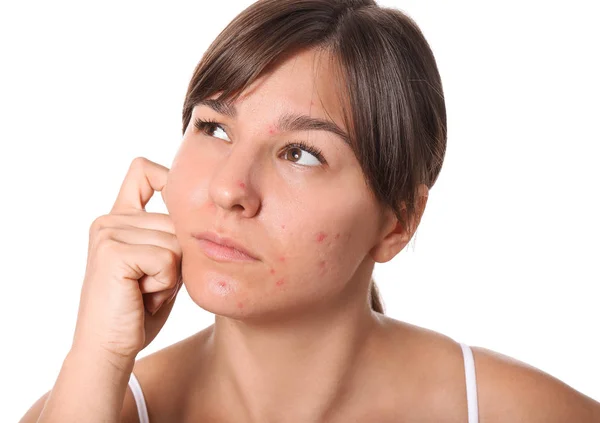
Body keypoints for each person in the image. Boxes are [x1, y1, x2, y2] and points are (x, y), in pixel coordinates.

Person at [19, 0, 600, 422]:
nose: (230, 189)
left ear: (397, 222)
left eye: (301, 153)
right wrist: (96, 354)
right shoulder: (89, 403)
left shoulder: (522, 413)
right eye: (215, 128)